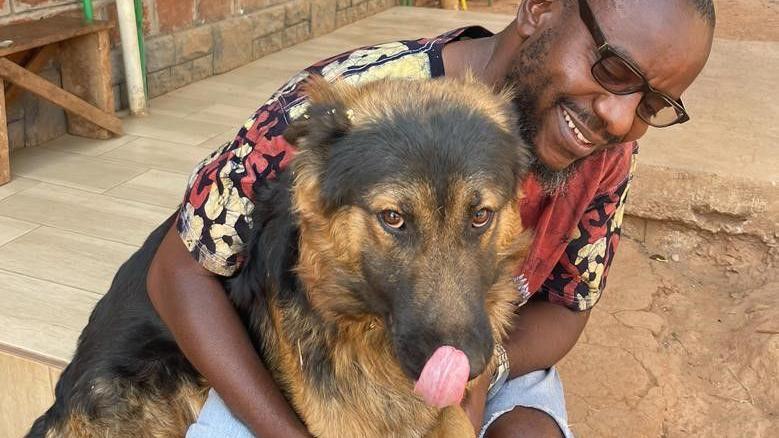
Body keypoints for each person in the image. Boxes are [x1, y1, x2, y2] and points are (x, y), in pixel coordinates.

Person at [146, 0, 715, 436]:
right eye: (612, 67)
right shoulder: (346, 112)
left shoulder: (606, 152)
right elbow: (179, 270)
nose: (618, 116)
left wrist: (480, 374)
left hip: (490, 341)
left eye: (651, 104)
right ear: (540, 7)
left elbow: (570, 305)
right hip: (320, 357)